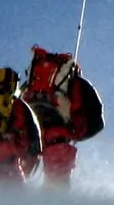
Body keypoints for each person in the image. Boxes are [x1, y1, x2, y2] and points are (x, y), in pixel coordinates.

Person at [19, 46, 105, 189]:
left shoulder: (31, 83)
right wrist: (77, 133)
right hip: (58, 137)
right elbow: (96, 120)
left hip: (29, 134)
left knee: (14, 180)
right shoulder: (76, 83)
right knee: (57, 185)